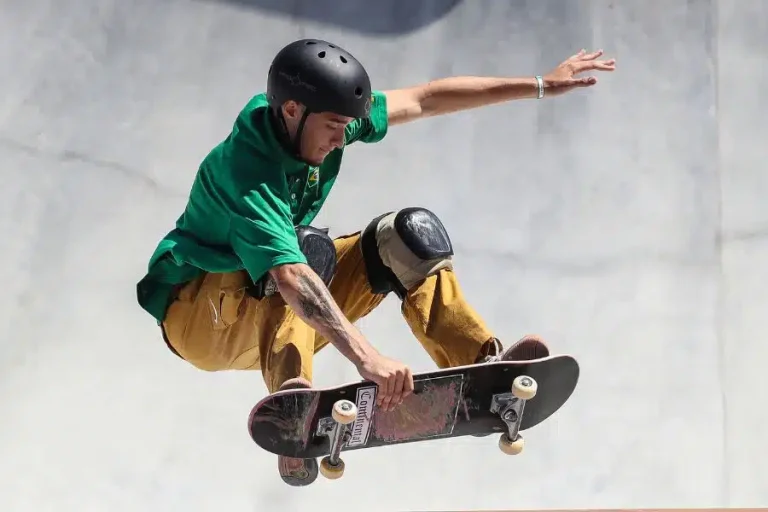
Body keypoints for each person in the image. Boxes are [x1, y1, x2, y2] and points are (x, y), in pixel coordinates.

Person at [135, 39, 615, 486]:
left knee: (408, 236)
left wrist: (539, 85)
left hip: (265, 303)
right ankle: (294, 401)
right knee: (302, 255)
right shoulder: (246, 170)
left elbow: (425, 99)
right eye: (333, 129)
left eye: (348, 128)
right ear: (291, 110)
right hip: (200, 316)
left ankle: (484, 369)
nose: (341, 141)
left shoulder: (319, 117)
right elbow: (290, 277)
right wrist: (368, 359)